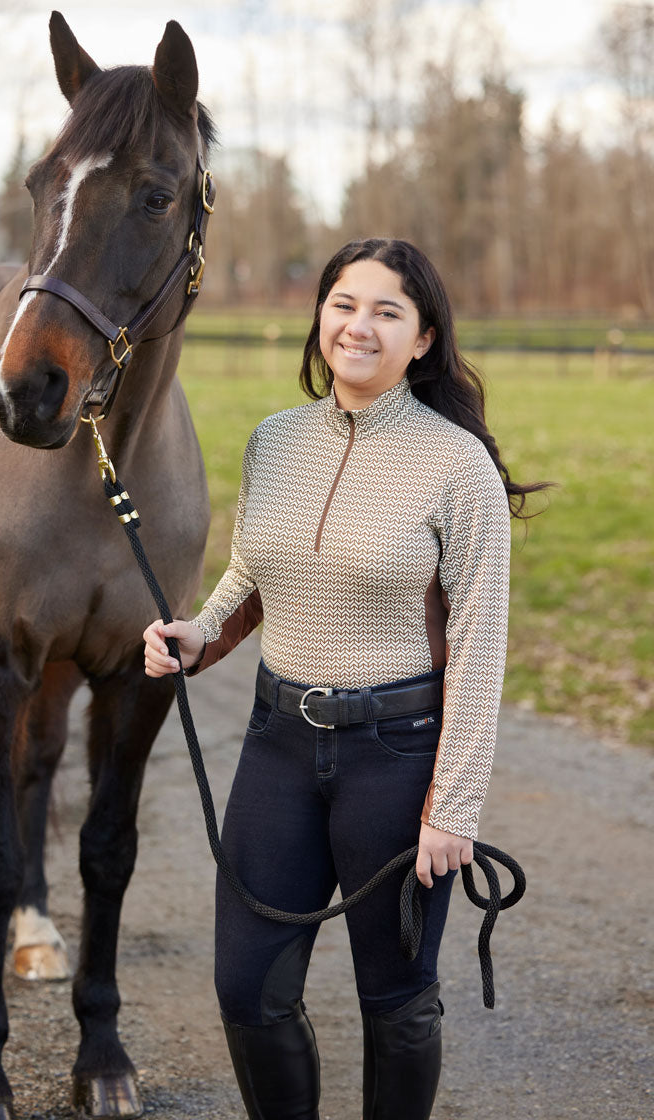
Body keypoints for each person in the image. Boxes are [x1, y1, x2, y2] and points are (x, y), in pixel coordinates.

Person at [143, 238, 545, 1120]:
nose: (358, 325)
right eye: (342, 303)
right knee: (248, 991)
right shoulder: (274, 441)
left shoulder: (456, 466)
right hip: (276, 746)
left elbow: (480, 644)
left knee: (396, 1004)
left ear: (424, 338)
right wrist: (200, 632)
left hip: (397, 761)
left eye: (386, 311)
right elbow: (252, 573)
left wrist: (454, 808)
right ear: (319, 315)